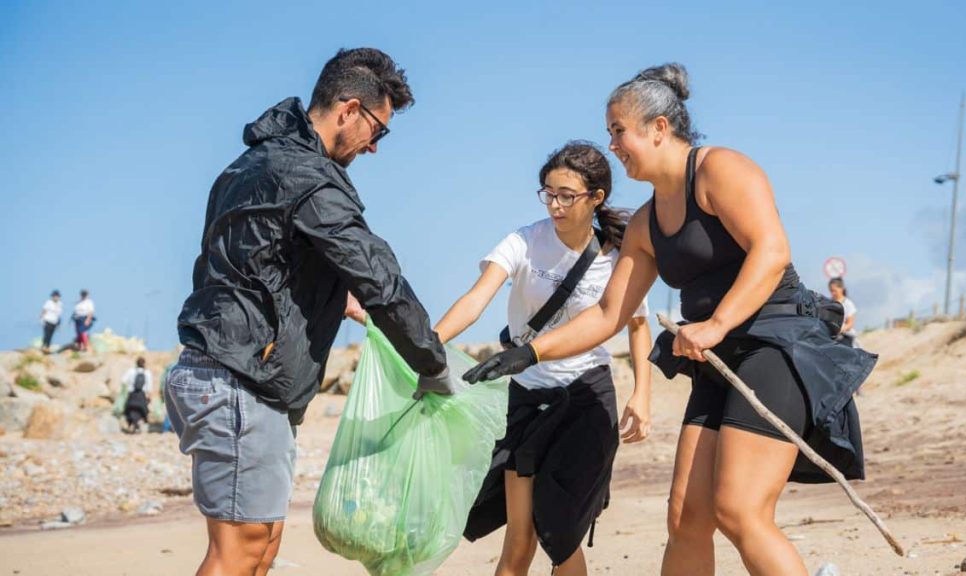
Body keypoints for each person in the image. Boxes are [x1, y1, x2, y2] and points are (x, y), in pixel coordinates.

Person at [464, 64, 876, 576]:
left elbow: (771, 252)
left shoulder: (720, 170)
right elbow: (610, 313)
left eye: (619, 130)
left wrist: (718, 322)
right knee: (685, 517)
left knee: (739, 510)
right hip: (717, 358)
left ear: (659, 128)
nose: (611, 143)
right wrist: (530, 352)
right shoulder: (644, 222)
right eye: (610, 130)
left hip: (778, 343)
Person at [167, 48, 454, 576]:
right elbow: (376, 274)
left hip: (242, 373)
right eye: (378, 131)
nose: (374, 148)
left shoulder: (258, 163)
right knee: (240, 550)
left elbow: (254, 261)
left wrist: (328, 297)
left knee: (262, 544)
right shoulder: (309, 176)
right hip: (239, 377)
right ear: (348, 109)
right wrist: (431, 362)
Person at [438, 142, 652, 575]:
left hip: (586, 399)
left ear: (597, 198)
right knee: (519, 536)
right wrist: (424, 346)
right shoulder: (525, 241)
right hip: (528, 398)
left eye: (567, 195)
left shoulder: (617, 258)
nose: (555, 204)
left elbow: (637, 326)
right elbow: (476, 299)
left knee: (559, 528)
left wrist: (643, 393)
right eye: (548, 193)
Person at [121, 357, 153, 434]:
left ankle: (133, 425)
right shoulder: (147, 373)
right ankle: (137, 426)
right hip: (141, 395)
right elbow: (149, 387)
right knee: (141, 411)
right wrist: (149, 397)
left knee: (130, 410)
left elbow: (123, 381)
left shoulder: (131, 371)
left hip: (132, 394)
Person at [828, 277, 857, 347]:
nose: (833, 293)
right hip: (832, 337)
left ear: (841, 289)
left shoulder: (848, 304)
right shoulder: (829, 303)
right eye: (831, 291)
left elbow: (850, 324)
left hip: (846, 337)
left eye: (834, 290)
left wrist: (840, 329)